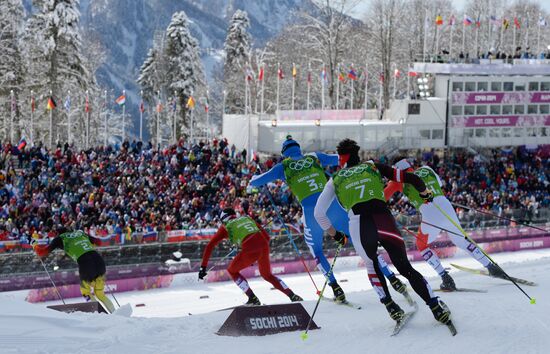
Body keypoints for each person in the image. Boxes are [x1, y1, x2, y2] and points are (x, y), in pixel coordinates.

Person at [249, 136, 408, 302]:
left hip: (312, 214)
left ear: (285, 154)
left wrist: (255, 177)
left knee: (317, 251)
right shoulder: (314, 157)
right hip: (333, 207)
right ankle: (392, 278)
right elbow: (340, 160)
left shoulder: (283, 166)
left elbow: (256, 182)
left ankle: (336, 288)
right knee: (362, 242)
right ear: (299, 150)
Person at [314, 139, 452, 325]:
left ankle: (391, 307)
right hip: (384, 220)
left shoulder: (336, 179)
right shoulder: (372, 166)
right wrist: (425, 192)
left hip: (360, 224)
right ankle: (435, 307)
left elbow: (318, 214)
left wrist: (336, 235)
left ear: (341, 159)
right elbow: (410, 178)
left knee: (372, 266)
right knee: (405, 268)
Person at [384, 158, 503, 290]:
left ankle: (446, 278)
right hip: (445, 205)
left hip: (429, 212)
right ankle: (491, 267)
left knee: (421, 245)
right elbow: (439, 185)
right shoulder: (426, 169)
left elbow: (382, 198)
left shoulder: (397, 181)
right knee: (461, 241)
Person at [198, 208, 303, 305]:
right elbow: (267, 237)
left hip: (250, 248)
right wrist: (259, 251)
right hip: (263, 246)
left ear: (224, 219)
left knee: (232, 271)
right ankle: (292, 295)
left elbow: (210, 246)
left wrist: (203, 267)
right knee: (267, 275)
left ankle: (252, 298)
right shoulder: (246, 218)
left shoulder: (226, 226)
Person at [31, 227, 115, 313]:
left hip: (85, 264)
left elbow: (42, 252)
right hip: (99, 261)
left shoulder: (60, 238)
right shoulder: (79, 233)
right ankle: (116, 314)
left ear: (57, 233)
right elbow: (99, 242)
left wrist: (34, 244)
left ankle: (99, 315)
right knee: (100, 294)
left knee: (85, 292)